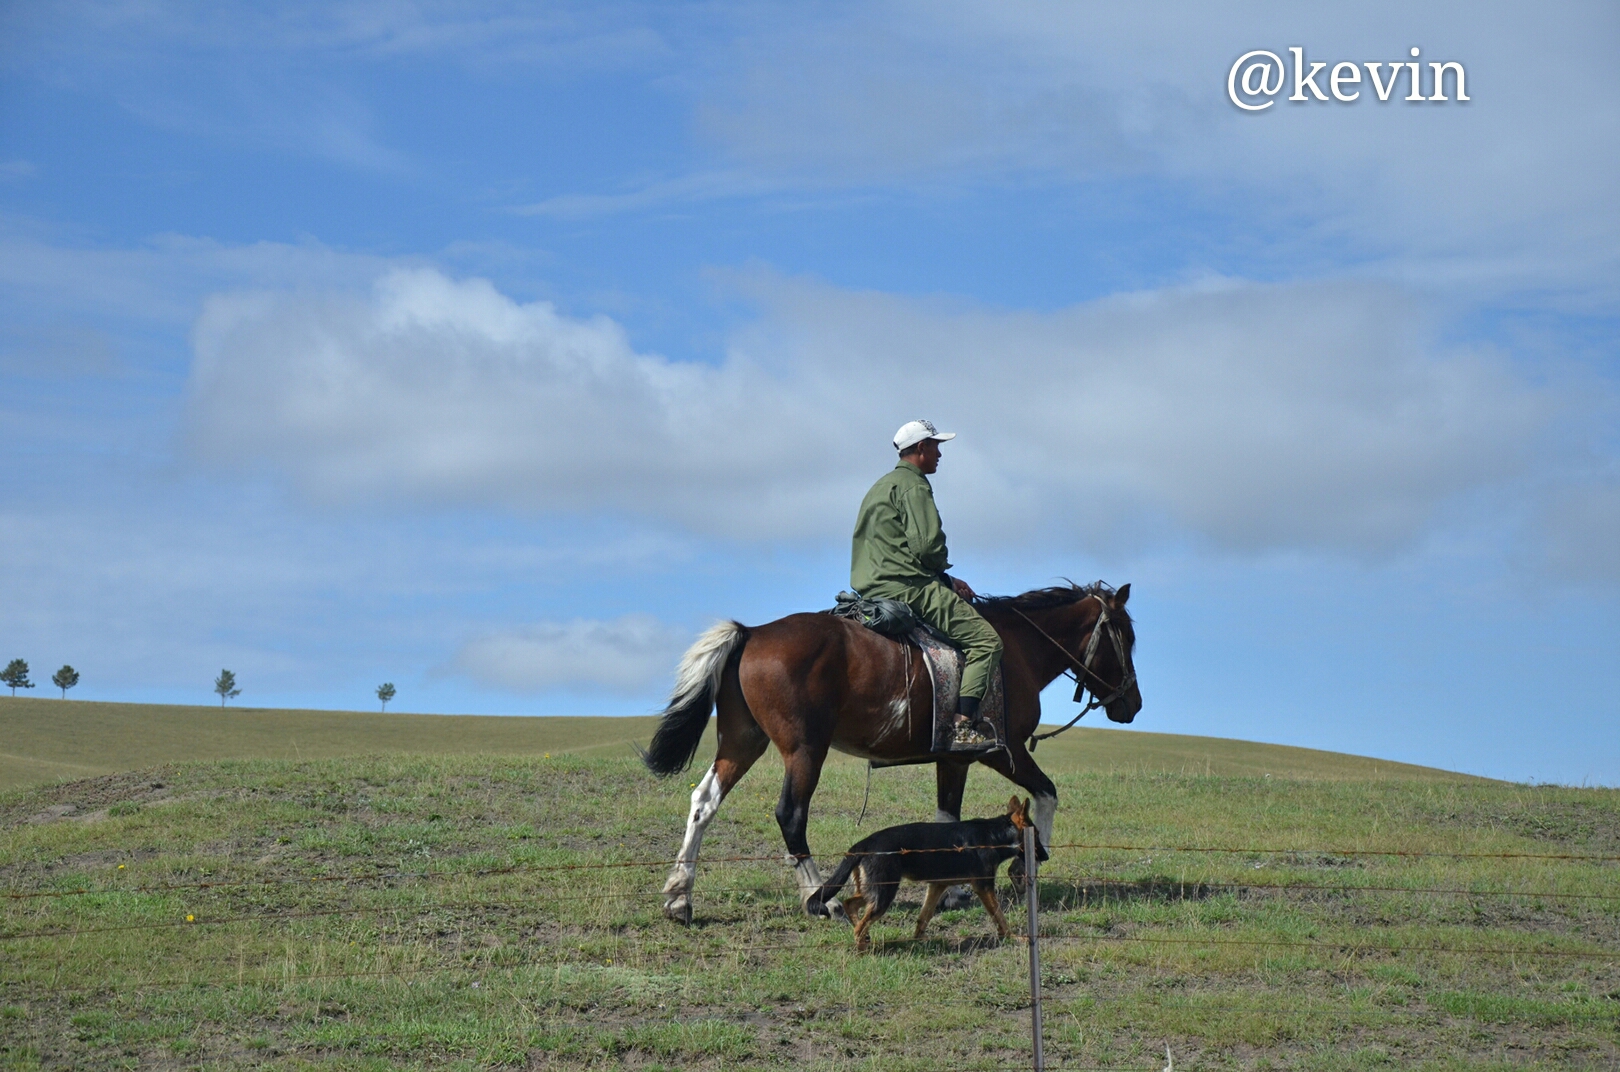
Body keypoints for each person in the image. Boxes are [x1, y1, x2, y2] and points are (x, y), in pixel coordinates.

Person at [851, 419, 1003, 746]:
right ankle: (962, 729)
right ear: (921, 449)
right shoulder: (915, 485)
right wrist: (939, 569)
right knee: (988, 642)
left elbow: (891, 550)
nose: (939, 454)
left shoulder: (880, 486)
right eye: (936, 446)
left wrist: (947, 580)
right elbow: (926, 546)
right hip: (911, 588)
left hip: (871, 590)